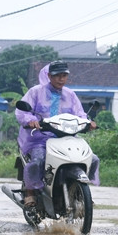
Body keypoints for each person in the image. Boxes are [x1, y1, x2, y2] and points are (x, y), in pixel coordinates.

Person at [15, 60, 100, 207]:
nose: (61, 79)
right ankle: (30, 193)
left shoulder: (71, 95)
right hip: (40, 138)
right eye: (57, 76)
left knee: (92, 158)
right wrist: (30, 120)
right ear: (49, 76)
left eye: (64, 75)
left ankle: (82, 191)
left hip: (66, 137)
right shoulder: (36, 92)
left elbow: (80, 114)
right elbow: (22, 111)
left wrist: (88, 122)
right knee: (37, 160)